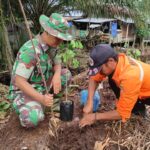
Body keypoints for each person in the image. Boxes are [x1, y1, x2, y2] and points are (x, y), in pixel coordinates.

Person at [8, 13, 73, 128]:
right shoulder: (30, 51)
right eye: (57, 37)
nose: (60, 41)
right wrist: (41, 98)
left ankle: (49, 104)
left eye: (61, 38)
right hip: (25, 91)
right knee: (32, 119)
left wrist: (57, 75)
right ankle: (35, 105)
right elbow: (19, 82)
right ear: (47, 31)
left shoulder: (52, 46)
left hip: (42, 86)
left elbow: (57, 62)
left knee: (65, 74)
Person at [79, 44, 150, 128]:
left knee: (126, 110)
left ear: (111, 61)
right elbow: (94, 78)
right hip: (137, 87)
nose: (99, 72)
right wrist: (89, 102)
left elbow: (122, 113)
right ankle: (135, 108)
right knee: (112, 80)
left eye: (100, 69)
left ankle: (137, 113)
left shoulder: (130, 76)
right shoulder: (117, 62)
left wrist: (94, 117)